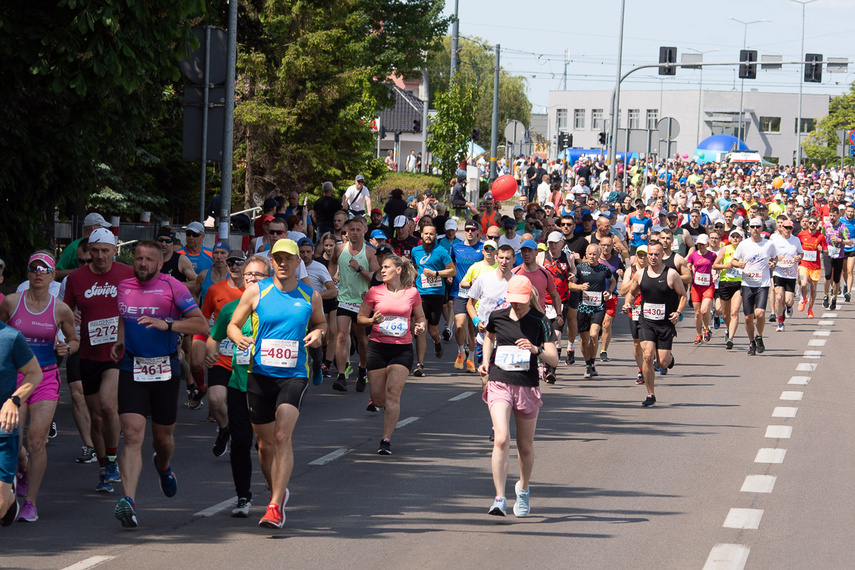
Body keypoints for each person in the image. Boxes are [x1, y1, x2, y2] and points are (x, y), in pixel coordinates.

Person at [227, 239, 326, 529]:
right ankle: (277, 494)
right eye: (278, 258)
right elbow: (234, 324)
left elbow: (320, 324)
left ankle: (273, 505)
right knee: (264, 446)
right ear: (272, 261)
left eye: (288, 258)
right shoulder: (257, 290)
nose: (283, 263)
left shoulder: (311, 295)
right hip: (259, 373)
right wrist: (238, 337)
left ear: (298, 263)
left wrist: (318, 335)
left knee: (282, 436)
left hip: (294, 374)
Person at [109, 241, 209, 528]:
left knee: (162, 440)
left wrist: (168, 323)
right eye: (138, 258)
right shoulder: (124, 286)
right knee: (131, 436)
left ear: (159, 261)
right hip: (132, 366)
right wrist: (120, 339)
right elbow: (125, 317)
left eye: (148, 259)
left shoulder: (173, 287)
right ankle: (128, 500)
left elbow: (200, 325)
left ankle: (163, 467)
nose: (142, 263)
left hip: (164, 368)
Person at [0, 252, 78, 522]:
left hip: (45, 378)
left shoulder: (60, 309)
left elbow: (74, 339)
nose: (38, 273)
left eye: (44, 269)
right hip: (16, 379)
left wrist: (66, 347)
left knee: (36, 441)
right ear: (28, 273)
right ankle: (20, 467)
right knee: (11, 437)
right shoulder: (11, 303)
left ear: (52, 275)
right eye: (33, 268)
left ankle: (30, 502)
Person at [479, 275, 557, 517]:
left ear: (529, 297)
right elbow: (489, 338)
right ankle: (499, 498)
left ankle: (522, 488)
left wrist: (535, 349)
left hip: (526, 386)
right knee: (501, 438)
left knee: (525, 446)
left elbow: (554, 358)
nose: (516, 304)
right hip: (500, 382)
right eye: (512, 300)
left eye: (521, 300)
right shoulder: (498, 316)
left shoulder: (539, 321)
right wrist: (484, 362)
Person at [63, 228, 134, 492]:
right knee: (96, 417)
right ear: (88, 252)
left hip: (116, 353)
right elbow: (64, 310)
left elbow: (144, 297)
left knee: (107, 405)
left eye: (105, 250)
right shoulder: (77, 278)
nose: (101, 256)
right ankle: (103, 467)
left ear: (114, 250)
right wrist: (71, 321)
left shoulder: (127, 273)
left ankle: (114, 461)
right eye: (95, 251)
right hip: (89, 353)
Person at [207, 255, 270, 517]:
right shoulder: (232, 308)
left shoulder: (278, 307)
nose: (252, 279)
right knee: (241, 443)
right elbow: (215, 336)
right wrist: (210, 352)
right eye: (249, 275)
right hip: (238, 383)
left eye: (258, 275)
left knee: (266, 445)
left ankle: (274, 492)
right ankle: (243, 497)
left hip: (269, 384)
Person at [357, 255, 426, 454]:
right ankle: (377, 403)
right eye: (381, 267)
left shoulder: (412, 293)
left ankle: (385, 440)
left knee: (393, 393)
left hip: (401, 349)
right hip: (377, 348)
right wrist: (371, 321)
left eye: (386, 267)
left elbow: (419, 317)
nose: (382, 270)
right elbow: (361, 317)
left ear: (398, 270)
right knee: (379, 400)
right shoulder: (374, 291)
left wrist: (420, 327)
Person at [622, 242, 686, 407]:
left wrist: (678, 312)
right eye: (650, 254)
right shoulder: (640, 274)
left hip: (665, 324)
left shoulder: (671, 274)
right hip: (646, 322)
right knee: (648, 355)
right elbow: (632, 292)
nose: (652, 257)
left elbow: (683, 295)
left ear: (662, 255)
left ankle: (669, 360)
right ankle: (650, 394)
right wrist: (628, 303)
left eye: (656, 254)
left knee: (662, 362)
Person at [200, 249, 248, 458]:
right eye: (231, 263)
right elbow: (205, 318)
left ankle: (240, 438)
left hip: (246, 359)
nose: (234, 266)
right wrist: (209, 349)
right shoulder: (214, 289)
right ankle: (225, 428)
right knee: (215, 400)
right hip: (222, 355)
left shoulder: (253, 291)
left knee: (245, 407)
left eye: (238, 262)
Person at [0, 321, 43, 527]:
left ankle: (8, 497)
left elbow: (35, 373)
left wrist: (14, 400)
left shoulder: (11, 337)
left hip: (3, 429)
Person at [329, 217, 379, 392]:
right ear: (346, 232)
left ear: (364, 231)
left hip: (362, 302)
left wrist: (359, 268)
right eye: (352, 230)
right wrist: (332, 279)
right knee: (341, 335)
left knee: (362, 340)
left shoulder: (370, 253)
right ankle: (341, 376)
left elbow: (375, 278)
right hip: (344, 299)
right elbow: (332, 262)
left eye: (358, 230)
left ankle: (362, 368)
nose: (355, 233)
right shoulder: (339, 249)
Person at [411, 225, 455, 377]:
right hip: (421, 294)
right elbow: (413, 266)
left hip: (436, 294)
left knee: (433, 330)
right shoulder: (415, 251)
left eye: (431, 234)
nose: (428, 236)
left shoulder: (441, 252)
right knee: (421, 328)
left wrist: (436, 273)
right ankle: (420, 364)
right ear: (421, 235)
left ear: (436, 235)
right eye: (426, 233)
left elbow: (452, 270)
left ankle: (437, 342)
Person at [730, 218, 778, 356]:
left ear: (762, 227)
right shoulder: (743, 245)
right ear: (748, 228)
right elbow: (734, 260)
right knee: (748, 317)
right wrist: (738, 264)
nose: (755, 229)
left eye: (758, 226)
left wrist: (773, 264)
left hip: (762, 284)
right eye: (753, 227)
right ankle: (751, 342)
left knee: (760, 313)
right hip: (747, 284)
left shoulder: (768, 244)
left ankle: (759, 336)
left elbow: (775, 257)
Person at [569, 244, 613, 379]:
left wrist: (609, 292)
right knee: (584, 339)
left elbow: (612, 281)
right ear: (586, 255)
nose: (592, 256)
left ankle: (592, 362)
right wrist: (580, 286)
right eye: (590, 254)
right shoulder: (581, 268)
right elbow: (570, 285)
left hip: (598, 307)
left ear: (599, 255)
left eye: (595, 254)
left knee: (594, 335)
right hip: (583, 307)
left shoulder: (604, 269)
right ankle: (588, 364)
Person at [298, 238, 336, 384]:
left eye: (308, 252)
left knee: (315, 349)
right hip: (297, 314)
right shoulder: (292, 267)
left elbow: (333, 292)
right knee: (300, 348)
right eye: (302, 252)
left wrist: (315, 296)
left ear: (313, 252)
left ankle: (317, 365)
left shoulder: (319, 267)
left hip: (314, 314)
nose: (305, 255)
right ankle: (300, 380)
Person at [713, 228, 745, 349]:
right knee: (725, 315)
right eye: (733, 236)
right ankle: (728, 329)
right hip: (725, 283)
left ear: (741, 238)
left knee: (734, 312)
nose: (736, 238)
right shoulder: (726, 249)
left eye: (738, 237)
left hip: (739, 283)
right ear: (730, 238)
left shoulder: (745, 249)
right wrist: (727, 266)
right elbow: (715, 265)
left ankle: (730, 338)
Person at [769, 218, 803, 332]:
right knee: (778, 297)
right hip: (778, 271)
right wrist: (775, 260)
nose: (787, 230)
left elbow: (801, 253)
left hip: (791, 273)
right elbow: (770, 256)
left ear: (792, 229)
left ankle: (788, 307)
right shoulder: (775, 241)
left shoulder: (796, 240)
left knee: (788, 300)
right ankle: (780, 322)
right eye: (786, 228)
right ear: (781, 228)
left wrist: (798, 257)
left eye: (790, 228)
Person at [55, 212, 111, 279]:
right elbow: (56, 272)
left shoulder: (103, 245)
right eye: (81, 261)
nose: (104, 230)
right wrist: (78, 271)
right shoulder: (73, 247)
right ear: (93, 228)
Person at [686, 234, 717, 344]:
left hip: (708, 286)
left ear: (707, 244)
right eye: (699, 244)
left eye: (703, 244)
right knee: (697, 313)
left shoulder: (712, 255)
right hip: (696, 286)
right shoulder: (693, 255)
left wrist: (717, 274)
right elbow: (688, 265)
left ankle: (707, 328)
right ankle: (699, 334)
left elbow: (717, 266)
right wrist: (689, 268)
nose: (701, 246)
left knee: (704, 310)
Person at [821, 207, 852, 310]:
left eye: (834, 216)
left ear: (838, 216)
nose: (832, 217)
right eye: (831, 215)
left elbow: (849, 242)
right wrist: (821, 246)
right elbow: (821, 237)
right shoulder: (826, 226)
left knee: (836, 278)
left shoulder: (843, 227)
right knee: (828, 274)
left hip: (839, 255)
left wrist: (840, 240)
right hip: (828, 254)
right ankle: (826, 295)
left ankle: (834, 298)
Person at [797, 215, 827, 319]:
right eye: (810, 223)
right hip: (804, 264)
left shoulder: (821, 236)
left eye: (814, 223)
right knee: (803, 283)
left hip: (815, 266)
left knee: (814, 289)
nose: (812, 224)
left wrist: (822, 250)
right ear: (807, 224)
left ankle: (810, 309)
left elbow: (826, 251)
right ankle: (804, 298)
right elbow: (796, 247)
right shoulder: (801, 234)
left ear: (817, 224)